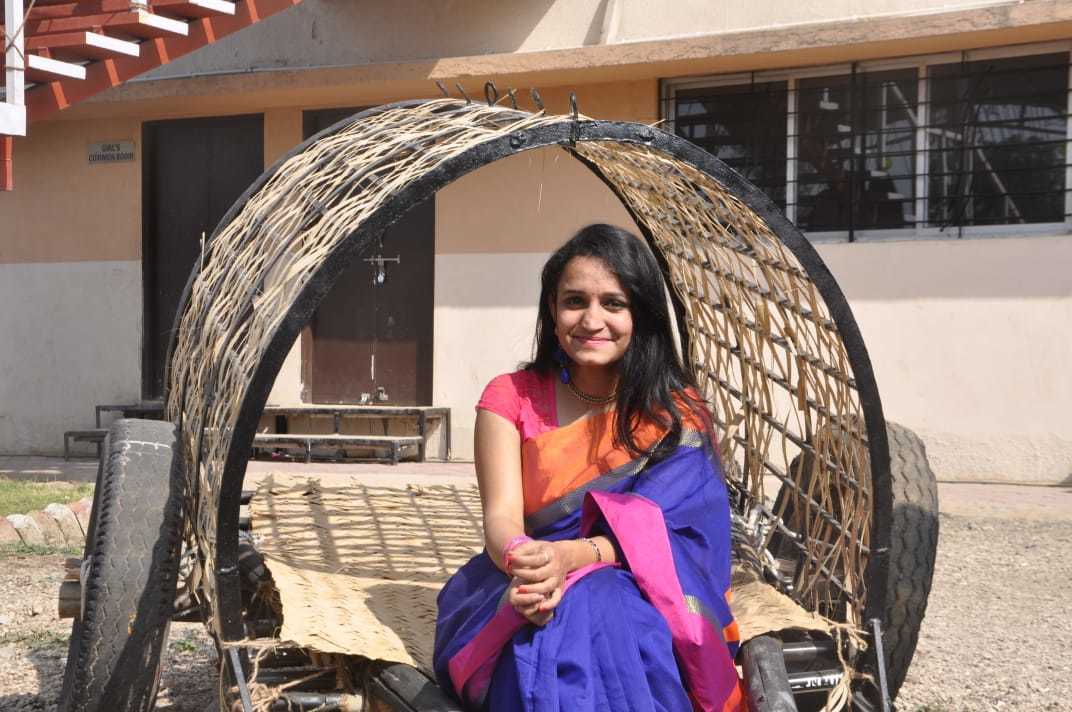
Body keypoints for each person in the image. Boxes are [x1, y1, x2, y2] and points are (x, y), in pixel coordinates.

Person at [433, 224, 743, 711]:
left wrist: (573, 559)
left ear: (641, 314)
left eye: (613, 303)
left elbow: (679, 536)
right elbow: (501, 517)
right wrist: (529, 566)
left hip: (636, 584)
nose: (591, 320)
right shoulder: (510, 398)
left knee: (601, 606)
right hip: (522, 575)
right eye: (574, 301)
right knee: (557, 617)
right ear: (552, 310)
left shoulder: (676, 415)